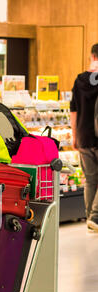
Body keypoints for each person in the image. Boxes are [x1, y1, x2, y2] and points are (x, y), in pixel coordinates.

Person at [70, 44, 98, 233]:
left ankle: (90, 217)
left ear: (92, 56)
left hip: (83, 135)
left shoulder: (80, 80)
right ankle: (95, 217)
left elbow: (73, 109)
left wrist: (74, 135)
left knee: (90, 179)